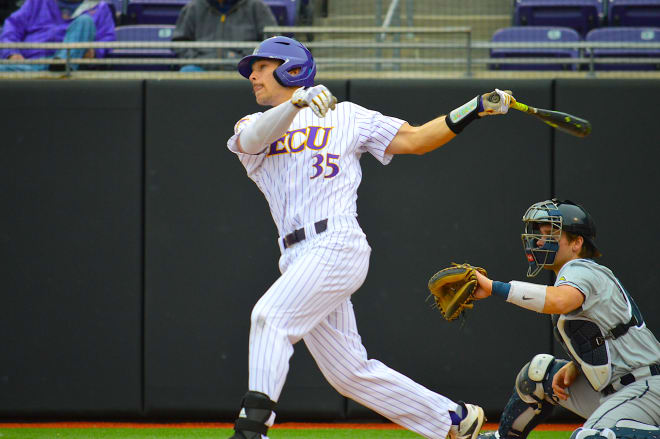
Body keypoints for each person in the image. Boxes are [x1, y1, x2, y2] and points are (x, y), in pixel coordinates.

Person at [225, 35, 517, 439]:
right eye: (251, 70)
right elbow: (255, 139)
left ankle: (251, 428)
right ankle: (452, 418)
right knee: (349, 373)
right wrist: (295, 104)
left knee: (269, 317)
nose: (252, 76)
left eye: (260, 66)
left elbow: (416, 140)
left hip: (336, 242)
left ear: (290, 67)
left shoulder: (346, 115)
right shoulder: (251, 125)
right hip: (295, 255)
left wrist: (475, 108)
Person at [471, 199, 660, 439]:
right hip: (615, 389)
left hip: (646, 387)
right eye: (540, 234)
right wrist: (578, 366)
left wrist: (494, 288)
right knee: (538, 376)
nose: (540, 241)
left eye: (550, 234)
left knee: (590, 437)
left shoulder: (581, 269)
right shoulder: (575, 274)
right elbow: (607, 334)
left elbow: (559, 301)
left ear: (577, 243)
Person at [0, 0, 115, 71]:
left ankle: (60, 63)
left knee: (85, 21)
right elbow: (12, 27)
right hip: (28, 64)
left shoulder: (99, 7)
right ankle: (54, 68)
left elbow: (107, 38)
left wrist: (95, 52)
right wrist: (11, 53)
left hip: (71, 66)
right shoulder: (36, 2)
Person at [172, 0, 276, 72]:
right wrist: (197, 60)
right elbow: (180, 41)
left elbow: (272, 40)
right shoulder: (193, 8)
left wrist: (247, 60)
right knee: (188, 71)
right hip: (200, 67)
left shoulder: (257, 7)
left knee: (262, 75)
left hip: (246, 69)